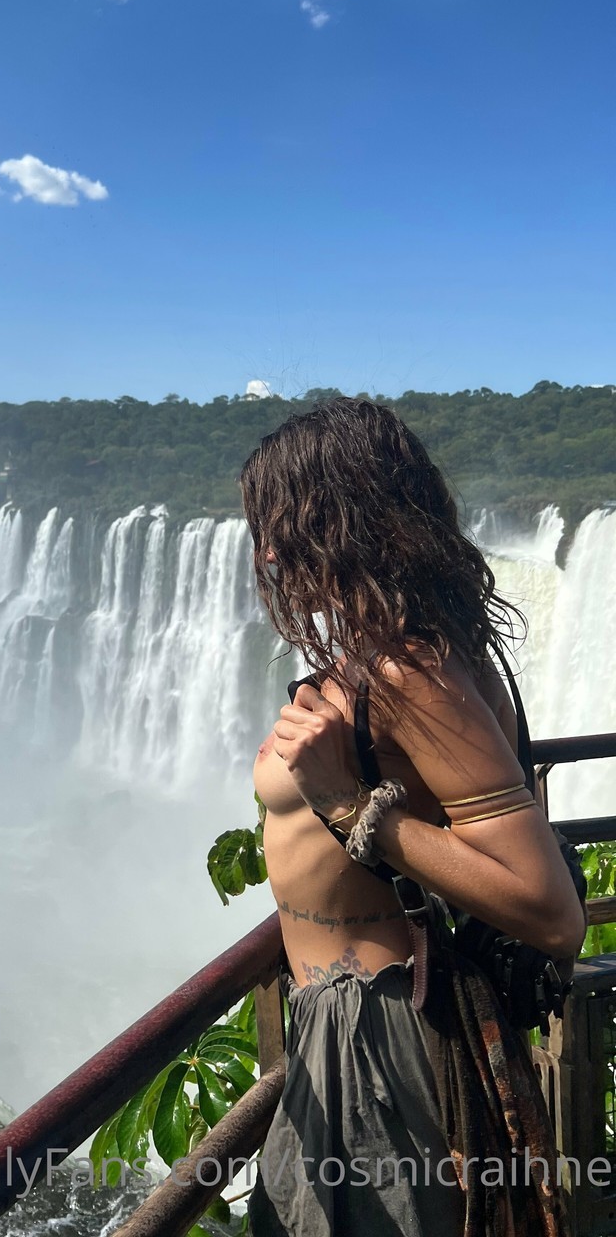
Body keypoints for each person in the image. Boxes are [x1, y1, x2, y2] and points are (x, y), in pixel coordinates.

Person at [239, 397, 586, 1237]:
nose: (270, 554)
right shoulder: (401, 653)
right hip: (344, 1022)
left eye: (284, 525)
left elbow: (552, 914)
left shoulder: (409, 672)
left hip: (380, 1036)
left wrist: (348, 803)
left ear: (344, 521)